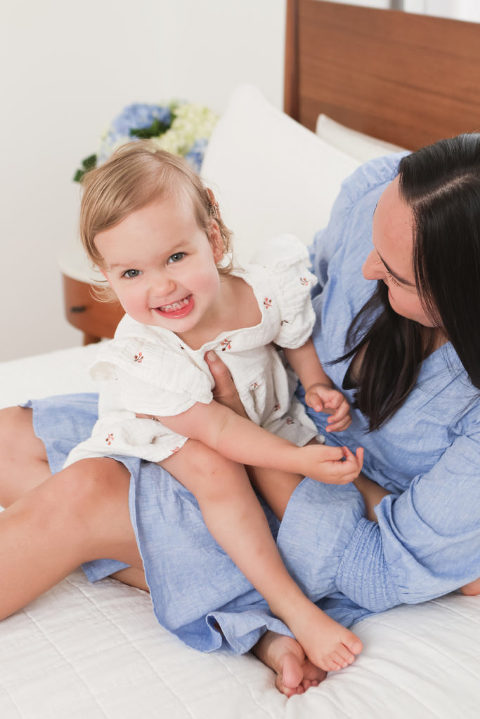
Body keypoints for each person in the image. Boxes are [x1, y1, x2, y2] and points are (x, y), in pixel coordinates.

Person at [1, 133, 480, 698]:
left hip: (309, 499)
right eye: (374, 240)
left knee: (82, 494)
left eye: (396, 275)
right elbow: (293, 315)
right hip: (262, 414)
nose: (367, 265)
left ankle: (260, 602)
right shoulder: (381, 190)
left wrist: (248, 443)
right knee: (9, 435)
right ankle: (221, 601)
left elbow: (378, 569)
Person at [60, 141, 364, 671]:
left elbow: (290, 334)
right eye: (131, 274)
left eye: (176, 257)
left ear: (213, 237)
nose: (162, 287)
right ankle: (288, 607)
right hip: (165, 424)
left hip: (259, 421)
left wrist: (315, 385)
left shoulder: (262, 288)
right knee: (217, 472)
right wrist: (292, 460)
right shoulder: (147, 351)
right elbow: (218, 429)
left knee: (343, 482)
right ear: (107, 275)